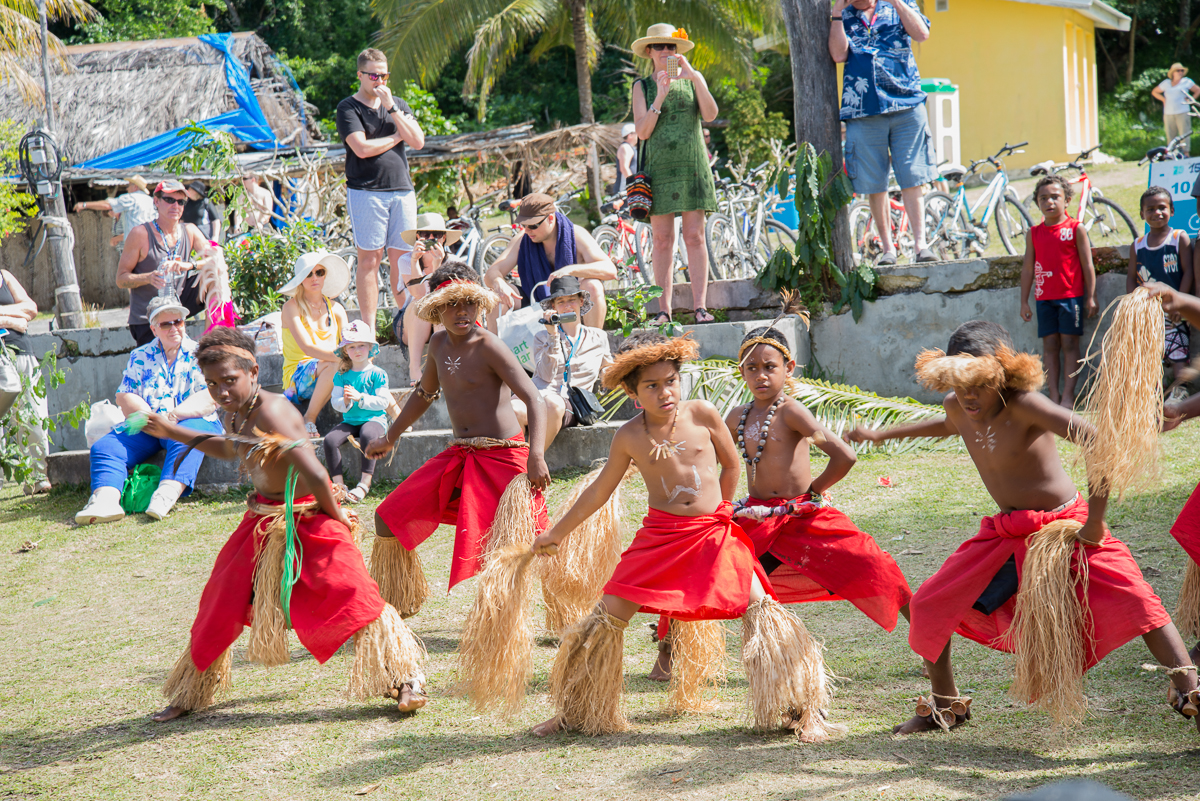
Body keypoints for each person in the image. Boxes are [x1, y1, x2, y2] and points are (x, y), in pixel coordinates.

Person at [846, 320, 1198, 734]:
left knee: (1139, 602)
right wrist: (882, 435)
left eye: (978, 383)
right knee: (928, 605)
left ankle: (1191, 691)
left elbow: (1100, 445)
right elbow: (945, 425)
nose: (968, 395)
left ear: (1004, 374)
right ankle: (946, 707)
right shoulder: (956, 407)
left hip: (1063, 525)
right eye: (959, 384)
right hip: (1007, 531)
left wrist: (1095, 521)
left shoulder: (1026, 405)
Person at [528, 331, 838, 741]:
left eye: (670, 381)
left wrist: (724, 510)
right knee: (603, 620)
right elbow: (600, 490)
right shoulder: (630, 436)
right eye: (651, 386)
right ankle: (575, 711)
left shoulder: (703, 414)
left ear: (680, 378)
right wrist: (557, 532)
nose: (664, 393)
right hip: (660, 538)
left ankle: (804, 710)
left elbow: (730, 465)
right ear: (632, 392)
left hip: (712, 532)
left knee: (763, 612)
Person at [141, 326, 426, 722]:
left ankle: (406, 678)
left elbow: (312, 469)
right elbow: (231, 447)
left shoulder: (273, 411)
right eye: (212, 384)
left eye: (229, 381)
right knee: (219, 600)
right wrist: (175, 431)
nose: (222, 391)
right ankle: (192, 687)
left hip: (310, 513)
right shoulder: (234, 410)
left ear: (253, 371)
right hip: (260, 519)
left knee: (353, 592)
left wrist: (337, 515)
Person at [364, 261, 551, 618]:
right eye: (451, 303)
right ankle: (395, 604)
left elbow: (534, 398)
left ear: (479, 305)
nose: (460, 311)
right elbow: (423, 393)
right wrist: (391, 435)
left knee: (533, 541)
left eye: (468, 302)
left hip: (506, 457)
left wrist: (536, 454)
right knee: (388, 517)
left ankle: (554, 610)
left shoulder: (489, 345)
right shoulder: (437, 344)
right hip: (462, 456)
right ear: (436, 309)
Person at [723, 327, 913, 658]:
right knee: (709, 566)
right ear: (741, 372)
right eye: (751, 368)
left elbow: (845, 455)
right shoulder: (736, 417)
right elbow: (718, 462)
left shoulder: (791, 411)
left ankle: (930, 642)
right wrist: (719, 509)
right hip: (758, 518)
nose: (761, 375)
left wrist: (814, 490)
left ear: (789, 368)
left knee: (875, 566)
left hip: (805, 517)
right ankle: (668, 652)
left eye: (770, 366)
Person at [74, 295, 224, 525]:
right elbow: (125, 395)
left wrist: (172, 416)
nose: (174, 328)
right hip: (148, 422)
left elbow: (209, 396)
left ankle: (165, 495)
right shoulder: (140, 355)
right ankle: (105, 501)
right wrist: (150, 418)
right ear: (154, 328)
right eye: (166, 324)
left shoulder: (201, 353)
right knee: (106, 446)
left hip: (190, 420)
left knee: (190, 438)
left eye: (179, 322)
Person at [829, 0, 937, 265]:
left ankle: (921, 246)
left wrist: (898, 3)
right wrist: (835, 14)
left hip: (906, 104)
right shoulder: (844, 15)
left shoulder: (900, 5)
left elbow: (922, 33)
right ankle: (888, 249)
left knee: (912, 176)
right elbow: (838, 55)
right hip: (863, 110)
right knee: (874, 183)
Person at [630, 24, 719, 323]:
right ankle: (663, 311)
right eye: (659, 47)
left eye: (671, 47)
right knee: (662, 240)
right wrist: (661, 95)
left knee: (694, 237)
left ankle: (700, 308)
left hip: (693, 167)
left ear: (678, 50)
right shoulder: (642, 86)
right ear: (649, 52)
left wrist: (693, 76)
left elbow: (710, 115)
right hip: (659, 171)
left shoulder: (694, 78)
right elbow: (642, 132)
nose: (666, 52)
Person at [336, 47, 425, 328]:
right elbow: (361, 149)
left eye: (384, 75)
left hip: (402, 189)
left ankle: (409, 323)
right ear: (360, 75)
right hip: (366, 190)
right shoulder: (348, 108)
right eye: (374, 75)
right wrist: (398, 136)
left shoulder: (396, 104)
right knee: (370, 260)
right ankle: (369, 330)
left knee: (404, 260)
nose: (380, 81)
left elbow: (418, 141)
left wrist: (394, 111)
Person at [1019, 175, 1097, 408]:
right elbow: (1027, 268)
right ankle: (1053, 395)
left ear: (1068, 200)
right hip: (1044, 299)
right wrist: (1024, 301)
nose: (1049, 202)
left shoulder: (1076, 229)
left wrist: (1090, 296)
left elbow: (1087, 265)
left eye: (1055, 197)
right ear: (1037, 203)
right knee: (1050, 345)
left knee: (1070, 345)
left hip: (1070, 298)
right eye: (1043, 198)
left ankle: (1068, 396)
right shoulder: (1034, 233)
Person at [483, 193, 617, 329]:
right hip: (535, 303)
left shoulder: (576, 235)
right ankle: (495, 349)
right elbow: (491, 273)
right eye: (524, 225)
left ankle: (593, 346)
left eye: (533, 225)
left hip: (572, 303)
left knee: (593, 285)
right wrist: (498, 282)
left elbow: (610, 270)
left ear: (550, 219)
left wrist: (571, 270)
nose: (528, 230)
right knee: (495, 296)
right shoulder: (522, 240)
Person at [512, 275, 613, 450]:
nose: (567, 306)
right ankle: (517, 463)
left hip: (567, 402)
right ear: (554, 307)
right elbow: (545, 374)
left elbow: (608, 367)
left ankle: (532, 462)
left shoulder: (598, 337)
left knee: (553, 403)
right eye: (561, 302)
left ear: (581, 302)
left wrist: (609, 376)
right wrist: (553, 336)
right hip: (538, 395)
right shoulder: (542, 336)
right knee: (513, 408)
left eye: (572, 300)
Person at [116, 179, 215, 347]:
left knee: (214, 277)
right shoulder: (140, 233)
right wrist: (148, 278)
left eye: (181, 202)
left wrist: (189, 265)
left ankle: (211, 341)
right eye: (169, 200)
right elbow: (121, 279)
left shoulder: (189, 230)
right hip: (148, 316)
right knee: (157, 367)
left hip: (177, 305)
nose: (175, 205)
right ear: (156, 201)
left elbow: (215, 259)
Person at [1128, 186, 1194, 401]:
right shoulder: (1137, 245)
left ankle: (1180, 390)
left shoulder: (1178, 237)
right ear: (1142, 214)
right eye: (1150, 209)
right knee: (1150, 351)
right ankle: (1155, 392)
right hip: (1148, 311)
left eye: (1162, 208)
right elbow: (1131, 278)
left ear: (1172, 210)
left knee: (1178, 349)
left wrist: (1179, 303)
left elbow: (1188, 272)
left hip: (1174, 310)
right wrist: (1134, 305)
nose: (1157, 213)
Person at [279, 252, 351, 439]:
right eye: (308, 274)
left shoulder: (337, 309)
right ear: (300, 280)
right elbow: (307, 348)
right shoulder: (291, 307)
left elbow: (349, 344)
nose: (314, 278)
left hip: (329, 372)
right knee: (337, 363)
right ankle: (309, 419)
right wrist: (343, 357)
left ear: (325, 275)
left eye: (319, 272)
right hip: (298, 376)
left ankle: (394, 416)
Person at [323, 320, 391, 504]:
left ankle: (364, 483)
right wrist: (344, 401)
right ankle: (339, 486)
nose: (357, 350)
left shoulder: (378, 373)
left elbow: (383, 401)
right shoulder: (341, 375)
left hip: (374, 418)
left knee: (368, 434)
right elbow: (335, 401)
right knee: (330, 440)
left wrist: (360, 397)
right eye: (352, 347)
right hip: (351, 420)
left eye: (362, 345)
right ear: (345, 351)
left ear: (370, 348)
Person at [390, 213, 461, 386]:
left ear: (443, 238)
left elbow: (445, 297)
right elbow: (418, 294)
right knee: (420, 303)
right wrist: (415, 261)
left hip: (444, 321)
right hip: (412, 323)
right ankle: (414, 368)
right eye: (424, 235)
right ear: (417, 237)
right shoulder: (406, 260)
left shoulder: (453, 262)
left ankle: (444, 367)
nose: (430, 239)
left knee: (441, 305)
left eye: (435, 235)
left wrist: (438, 267)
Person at [0, 269, 50, 494]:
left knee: (34, 416)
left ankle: (38, 477)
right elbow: (23, 316)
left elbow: (31, 309)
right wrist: (13, 319)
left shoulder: (4, 275)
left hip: (22, 352)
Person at [73, 175, 156, 249]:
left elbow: (108, 205)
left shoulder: (131, 198)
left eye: (128, 185)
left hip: (136, 245)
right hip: (150, 244)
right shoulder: (150, 201)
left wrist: (84, 205)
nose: (126, 188)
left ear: (135, 187)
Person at [1153, 63, 1200, 156]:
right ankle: (1172, 153)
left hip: (1183, 111)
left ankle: (1186, 153)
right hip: (1168, 112)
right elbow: (1155, 91)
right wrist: (1163, 99)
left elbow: (1198, 90)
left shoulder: (1186, 81)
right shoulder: (1166, 83)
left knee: (1184, 133)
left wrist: (1191, 99)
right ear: (1173, 72)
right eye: (1178, 70)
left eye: (1182, 70)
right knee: (1170, 134)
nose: (1180, 72)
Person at [614, 123, 638, 194]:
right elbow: (624, 168)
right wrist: (634, 185)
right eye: (636, 133)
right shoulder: (625, 147)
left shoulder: (631, 148)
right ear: (630, 135)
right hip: (624, 191)